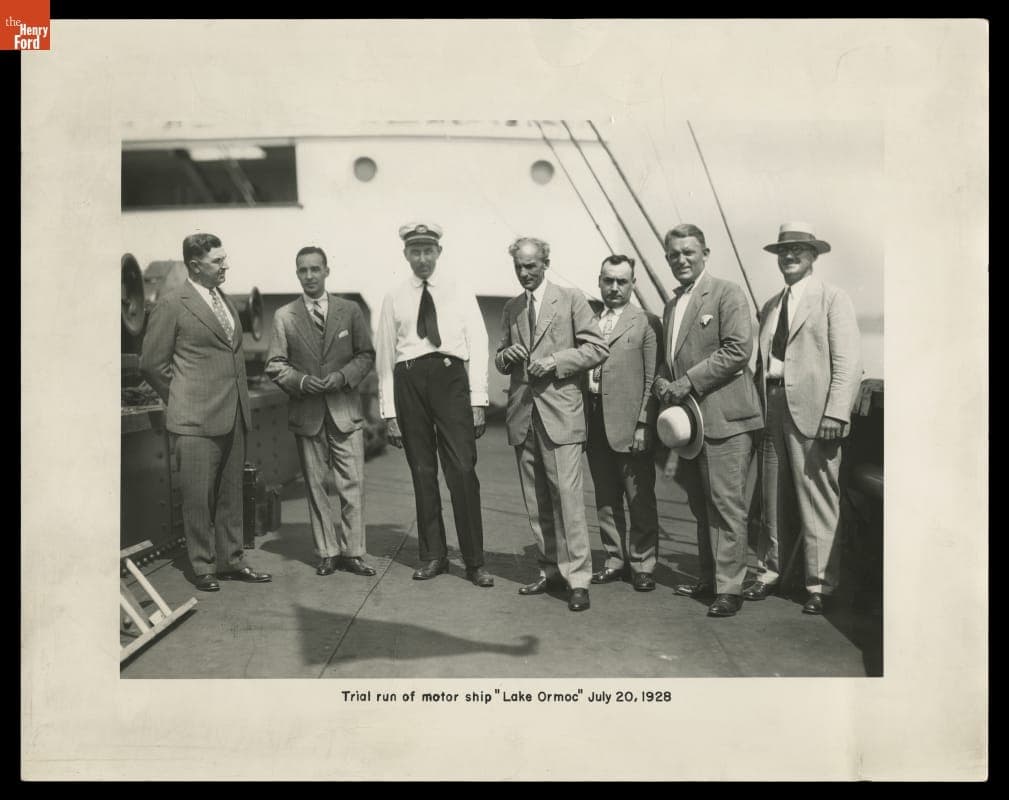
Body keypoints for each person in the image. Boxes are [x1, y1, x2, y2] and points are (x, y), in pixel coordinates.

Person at [140, 233, 272, 592]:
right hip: (195, 420)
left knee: (232, 495)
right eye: (218, 261)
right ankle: (203, 566)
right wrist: (183, 396)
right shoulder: (172, 304)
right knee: (197, 498)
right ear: (195, 266)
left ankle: (231, 560)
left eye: (224, 259)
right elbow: (151, 364)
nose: (225, 265)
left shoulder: (224, 301)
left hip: (233, 415)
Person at [745, 222, 862, 614]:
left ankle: (820, 585)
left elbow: (848, 362)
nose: (790, 256)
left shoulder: (832, 298)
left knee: (818, 497)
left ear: (813, 255)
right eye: (783, 250)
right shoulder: (771, 305)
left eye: (798, 249)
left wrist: (836, 413)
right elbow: (759, 363)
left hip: (814, 412)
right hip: (772, 406)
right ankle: (770, 571)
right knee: (771, 496)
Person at [652, 224, 762, 618]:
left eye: (688, 252)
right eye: (674, 254)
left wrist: (687, 382)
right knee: (701, 505)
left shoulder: (727, 293)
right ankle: (709, 578)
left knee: (726, 505)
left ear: (705, 254)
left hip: (727, 419)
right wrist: (664, 380)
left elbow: (738, 350)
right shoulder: (671, 305)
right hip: (692, 425)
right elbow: (671, 359)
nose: (681, 259)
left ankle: (730, 589)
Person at [374, 222, 493, 587]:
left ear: (438, 252)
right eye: (415, 251)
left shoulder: (459, 289)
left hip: (450, 379)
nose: (422, 258)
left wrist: (478, 399)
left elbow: (479, 341)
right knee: (423, 472)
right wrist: (389, 412)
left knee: (462, 470)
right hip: (409, 382)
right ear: (405, 254)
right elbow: (385, 355)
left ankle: (474, 561)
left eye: (428, 251)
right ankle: (433, 555)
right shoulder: (394, 295)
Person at [495, 237, 608, 612]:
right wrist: (506, 356)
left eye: (530, 266)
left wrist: (556, 362)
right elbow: (500, 358)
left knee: (568, 501)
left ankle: (579, 580)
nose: (524, 272)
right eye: (518, 266)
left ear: (546, 263)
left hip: (561, 415)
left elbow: (597, 348)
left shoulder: (571, 299)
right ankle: (550, 570)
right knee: (536, 500)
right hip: (523, 415)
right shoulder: (512, 308)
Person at [265, 246, 377, 578]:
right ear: (297, 274)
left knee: (352, 484)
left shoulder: (349, 310)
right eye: (303, 270)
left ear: (327, 271)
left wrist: (342, 377)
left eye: (315, 269)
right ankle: (328, 552)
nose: (310, 276)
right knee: (315, 487)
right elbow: (275, 364)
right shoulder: (285, 316)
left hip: (345, 411)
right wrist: (301, 382)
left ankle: (353, 552)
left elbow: (366, 355)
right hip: (308, 413)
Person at [585, 255, 662, 592]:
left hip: (631, 424)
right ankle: (615, 559)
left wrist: (645, 423)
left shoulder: (646, 322)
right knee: (605, 495)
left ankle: (643, 563)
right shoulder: (588, 321)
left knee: (639, 498)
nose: (614, 287)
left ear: (633, 284)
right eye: (608, 280)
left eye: (622, 281)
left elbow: (652, 378)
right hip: (593, 420)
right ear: (599, 281)